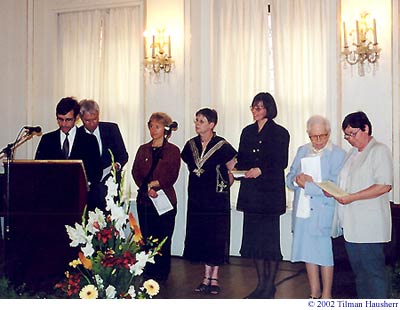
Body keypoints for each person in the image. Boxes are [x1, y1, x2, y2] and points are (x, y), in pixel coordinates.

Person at [331, 111, 393, 298]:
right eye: (346, 135)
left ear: (366, 128)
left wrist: (352, 197)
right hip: (351, 225)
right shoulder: (351, 153)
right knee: (360, 275)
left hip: (369, 227)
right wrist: (333, 191)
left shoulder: (379, 150)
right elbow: (346, 184)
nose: (349, 139)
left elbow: (384, 185)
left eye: (353, 133)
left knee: (374, 274)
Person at [235, 92, 289, 299]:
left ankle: (270, 286)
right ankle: (260, 285)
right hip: (251, 195)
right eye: (253, 107)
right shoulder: (247, 132)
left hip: (269, 195)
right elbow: (242, 158)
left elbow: (280, 161)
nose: (255, 111)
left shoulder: (280, 132)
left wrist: (261, 169)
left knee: (270, 243)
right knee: (255, 242)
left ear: (269, 109)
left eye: (259, 107)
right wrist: (237, 170)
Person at [286, 115, 346, 299]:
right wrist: (297, 180)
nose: (318, 141)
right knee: (308, 252)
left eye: (322, 136)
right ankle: (314, 292)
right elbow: (289, 179)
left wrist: (309, 185)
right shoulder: (302, 150)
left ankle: (326, 295)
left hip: (324, 210)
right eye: (314, 137)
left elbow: (335, 185)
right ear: (308, 134)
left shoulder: (338, 154)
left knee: (324, 255)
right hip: (303, 210)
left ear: (329, 133)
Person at [181, 108, 237, 295]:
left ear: (212, 124)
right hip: (197, 198)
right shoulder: (191, 145)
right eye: (196, 120)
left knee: (216, 236)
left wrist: (226, 182)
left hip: (216, 199)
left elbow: (233, 170)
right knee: (203, 236)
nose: (197, 123)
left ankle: (215, 278)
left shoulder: (222, 145)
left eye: (202, 121)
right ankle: (205, 277)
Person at [132, 112, 180, 282]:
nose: (153, 129)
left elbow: (172, 174)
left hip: (164, 199)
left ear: (165, 129)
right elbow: (135, 172)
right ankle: (148, 270)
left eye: (157, 126)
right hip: (145, 199)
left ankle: (162, 272)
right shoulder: (143, 149)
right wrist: (146, 188)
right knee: (147, 236)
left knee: (163, 237)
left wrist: (156, 185)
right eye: (151, 125)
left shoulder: (173, 150)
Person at [35, 97, 102, 188]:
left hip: (80, 194)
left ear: (77, 117)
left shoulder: (89, 140)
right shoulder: (47, 140)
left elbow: (96, 172)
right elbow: (38, 169)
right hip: (52, 193)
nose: (63, 124)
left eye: (68, 120)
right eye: (60, 119)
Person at [78, 99, 129, 209]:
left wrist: (117, 165)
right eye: (87, 121)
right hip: (89, 190)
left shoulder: (111, 129)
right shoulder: (78, 135)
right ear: (81, 118)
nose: (92, 124)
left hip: (110, 187)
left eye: (95, 119)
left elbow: (123, 155)